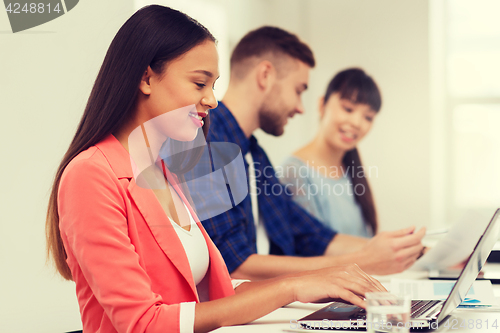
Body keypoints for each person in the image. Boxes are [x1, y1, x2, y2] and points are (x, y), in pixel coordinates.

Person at [45, 6, 385, 333]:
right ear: (146, 78)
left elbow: (217, 295)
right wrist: (291, 288)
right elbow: (143, 323)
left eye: (212, 85)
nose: (212, 99)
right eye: (199, 83)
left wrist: (317, 286)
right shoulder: (89, 176)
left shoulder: (165, 173)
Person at [201, 26, 426, 281]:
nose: (300, 108)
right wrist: (362, 261)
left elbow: (313, 236)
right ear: (265, 75)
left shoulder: (254, 154)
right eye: (298, 90)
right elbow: (234, 265)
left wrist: (411, 250)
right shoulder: (209, 141)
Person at [279, 68, 381, 238]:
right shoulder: (293, 172)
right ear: (322, 105)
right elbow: (314, 247)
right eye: (348, 109)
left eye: (368, 117)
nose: (356, 122)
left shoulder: (351, 170)